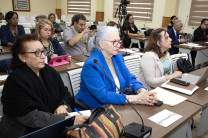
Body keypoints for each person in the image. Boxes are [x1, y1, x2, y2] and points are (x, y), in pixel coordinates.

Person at [0, 34, 88, 137]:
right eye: (37, 53)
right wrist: (65, 120)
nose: (43, 56)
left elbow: (65, 94)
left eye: (43, 51)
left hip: (52, 125)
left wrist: (63, 105)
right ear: (22, 57)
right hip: (25, 132)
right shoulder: (15, 81)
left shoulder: (49, 71)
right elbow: (31, 117)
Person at [75, 26, 157, 110]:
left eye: (119, 41)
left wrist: (141, 90)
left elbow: (129, 78)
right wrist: (136, 99)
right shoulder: (91, 65)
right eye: (114, 42)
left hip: (117, 105)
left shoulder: (117, 57)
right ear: (101, 43)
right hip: (95, 109)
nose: (118, 45)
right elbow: (103, 96)